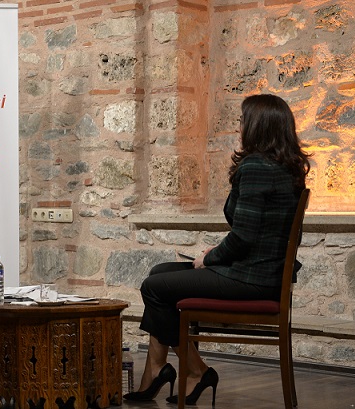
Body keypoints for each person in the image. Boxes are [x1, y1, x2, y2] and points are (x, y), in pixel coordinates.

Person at [124, 94, 310, 405]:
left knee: (153, 287)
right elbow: (255, 234)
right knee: (160, 273)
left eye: (242, 121)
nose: (239, 127)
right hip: (265, 275)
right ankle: (162, 369)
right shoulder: (287, 169)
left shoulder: (256, 167)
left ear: (258, 126)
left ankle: (191, 371)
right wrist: (215, 252)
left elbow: (243, 238)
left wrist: (209, 257)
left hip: (250, 279)